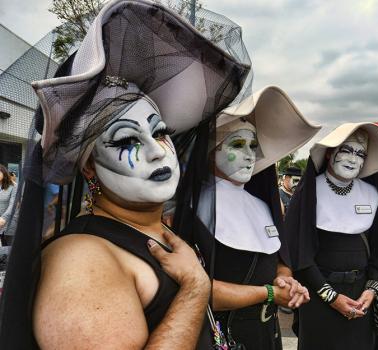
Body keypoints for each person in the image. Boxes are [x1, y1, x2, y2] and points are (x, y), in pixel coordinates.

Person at [0, 1, 253, 348]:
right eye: (128, 139)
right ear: (89, 165)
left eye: (159, 131)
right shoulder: (80, 260)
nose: (156, 150)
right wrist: (195, 289)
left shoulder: (155, 229)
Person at [183, 86, 318, 349]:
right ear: (210, 150)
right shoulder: (189, 209)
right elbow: (192, 289)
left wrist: (284, 278)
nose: (250, 155)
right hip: (218, 338)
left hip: (266, 335)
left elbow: (280, 259)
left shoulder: (263, 205)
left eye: (253, 146)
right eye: (237, 144)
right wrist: (269, 293)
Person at [286, 122, 378, 350]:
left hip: (361, 297)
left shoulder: (371, 194)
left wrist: (371, 290)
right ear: (328, 154)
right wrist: (331, 297)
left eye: (361, 153)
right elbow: (299, 254)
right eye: (346, 150)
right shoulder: (309, 193)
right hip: (319, 298)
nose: (354, 159)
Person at [0, 165, 18, 246]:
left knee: (8, 248)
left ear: (4, 172)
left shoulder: (13, 186)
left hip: (9, 222)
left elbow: (13, 204)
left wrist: (4, 218)